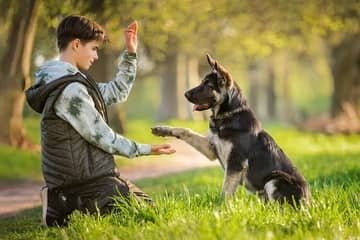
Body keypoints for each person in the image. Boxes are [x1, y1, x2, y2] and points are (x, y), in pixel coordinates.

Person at [25, 15, 175, 227]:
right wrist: (147, 149)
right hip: (81, 182)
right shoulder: (70, 91)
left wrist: (131, 54)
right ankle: (60, 203)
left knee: (149, 209)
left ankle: (61, 203)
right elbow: (103, 137)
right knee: (143, 217)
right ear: (76, 44)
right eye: (94, 48)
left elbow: (116, 92)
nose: (96, 56)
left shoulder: (76, 81)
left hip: (93, 176)